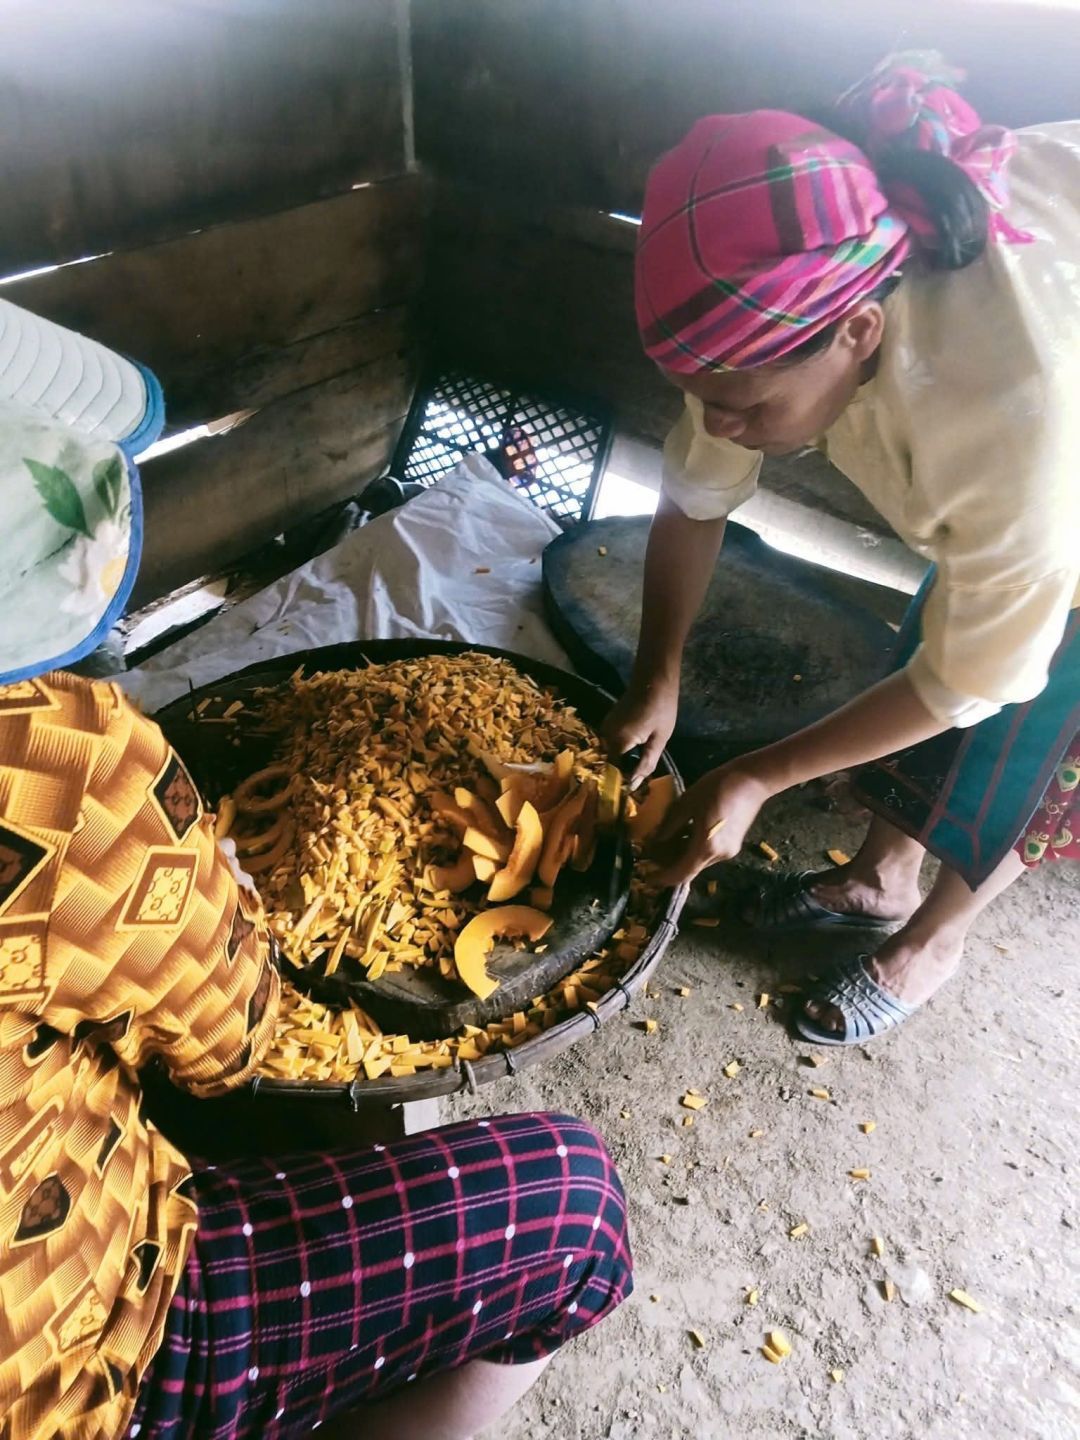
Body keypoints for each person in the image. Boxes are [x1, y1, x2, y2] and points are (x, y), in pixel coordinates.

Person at [0, 302, 632, 1440]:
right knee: (577, 1207)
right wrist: (214, 890)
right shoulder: (58, 762)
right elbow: (233, 1040)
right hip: (72, 1372)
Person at [605, 54, 1079, 1046]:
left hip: (1058, 450)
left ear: (859, 331)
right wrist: (658, 678)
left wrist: (758, 776)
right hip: (1008, 468)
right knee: (951, 611)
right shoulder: (775, 313)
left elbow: (971, 680)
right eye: (703, 399)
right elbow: (696, 496)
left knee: (1041, 724)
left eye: (744, 408)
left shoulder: (1009, 429)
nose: (719, 425)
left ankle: (935, 937)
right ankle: (880, 879)